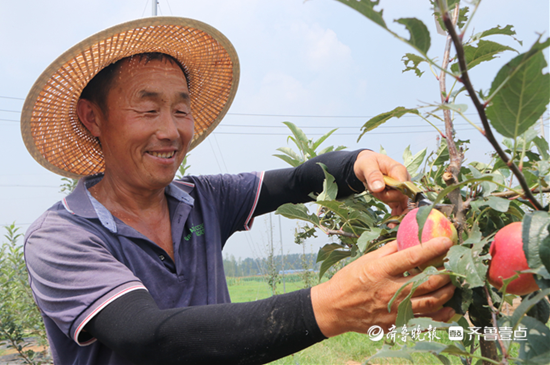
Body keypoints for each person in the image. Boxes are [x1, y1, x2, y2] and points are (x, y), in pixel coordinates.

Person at [21, 17, 456, 365]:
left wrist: (360, 164)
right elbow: (148, 337)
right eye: (149, 108)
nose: (171, 130)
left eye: (181, 109)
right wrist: (330, 307)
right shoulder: (62, 236)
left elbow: (300, 181)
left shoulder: (201, 199)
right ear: (92, 118)